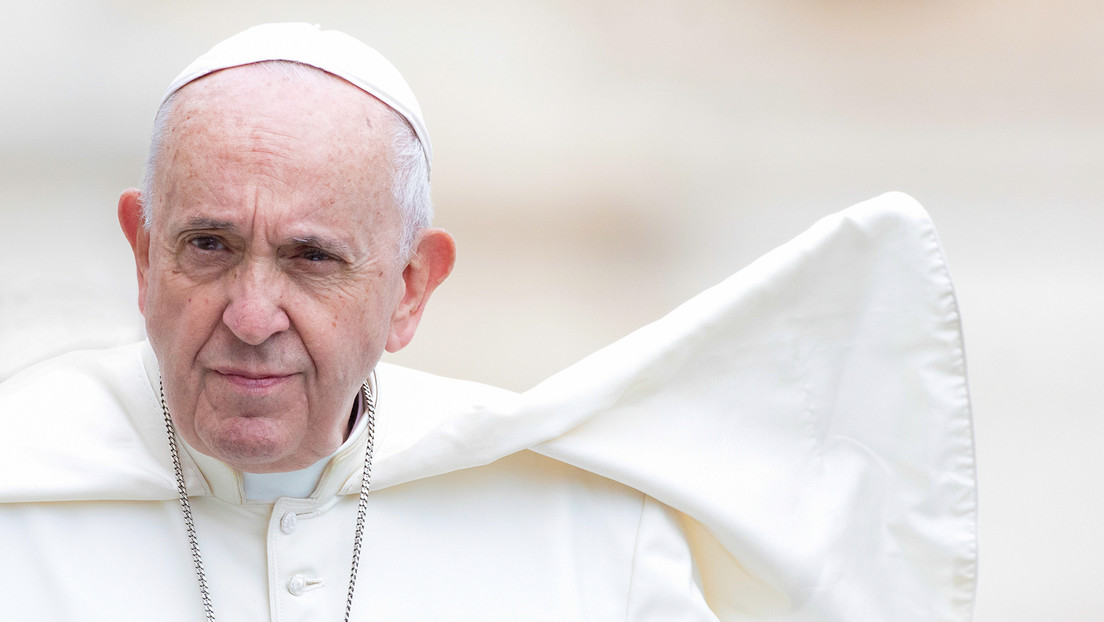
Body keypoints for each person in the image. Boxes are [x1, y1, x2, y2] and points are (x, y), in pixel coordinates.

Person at [0, 23, 977, 621]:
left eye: (312, 258)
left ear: (413, 288)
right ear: (141, 252)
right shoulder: (22, 502)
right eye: (208, 247)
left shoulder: (589, 537)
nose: (253, 316)